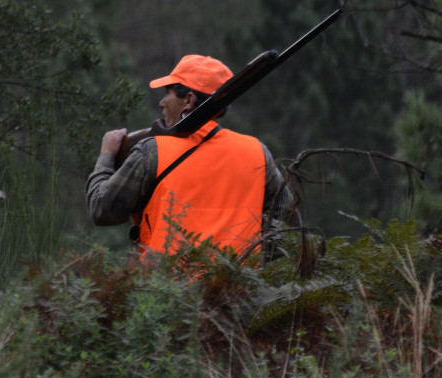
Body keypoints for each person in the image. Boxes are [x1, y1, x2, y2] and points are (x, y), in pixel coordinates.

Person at [86, 55, 296, 258]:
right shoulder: (257, 152)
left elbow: (102, 209)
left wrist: (106, 155)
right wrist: (260, 270)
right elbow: (289, 230)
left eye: (167, 93)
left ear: (188, 100)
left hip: (166, 282)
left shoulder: (152, 151)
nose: (161, 103)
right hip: (239, 280)